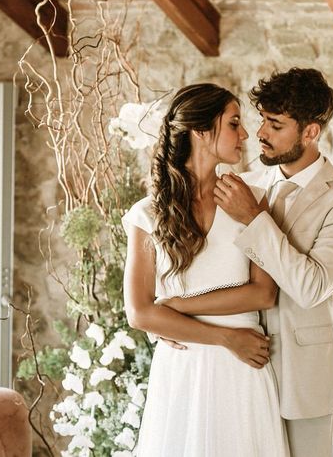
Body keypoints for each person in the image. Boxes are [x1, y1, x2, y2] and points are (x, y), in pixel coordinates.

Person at [162, 68, 333, 457]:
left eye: (275, 124)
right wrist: (175, 321)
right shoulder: (256, 187)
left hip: (303, 381)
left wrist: (253, 219)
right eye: (261, 119)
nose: (260, 132)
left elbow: (311, 288)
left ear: (310, 132)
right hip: (240, 376)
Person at [122, 83, 290, 456]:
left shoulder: (250, 199)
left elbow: (263, 292)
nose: (245, 134)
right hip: (186, 368)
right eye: (233, 123)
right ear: (200, 131)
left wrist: (176, 306)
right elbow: (139, 313)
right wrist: (225, 338)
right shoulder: (147, 214)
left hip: (244, 369)